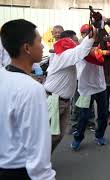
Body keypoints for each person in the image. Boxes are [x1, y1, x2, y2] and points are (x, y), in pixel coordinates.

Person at [0, 19, 56, 179]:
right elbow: (38, 151)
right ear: (27, 48)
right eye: (39, 41)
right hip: (20, 171)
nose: (43, 46)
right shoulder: (32, 89)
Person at [44, 29, 96, 152]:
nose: (77, 43)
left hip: (63, 101)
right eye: (76, 41)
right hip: (55, 101)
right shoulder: (64, 55)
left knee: (57, 135)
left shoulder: (65, 55)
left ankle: (43, 162)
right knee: (48, 136)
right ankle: (37, 165)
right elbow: (81, 50)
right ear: (68, 42)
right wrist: (94, 31)